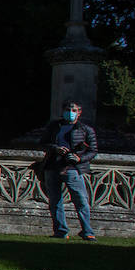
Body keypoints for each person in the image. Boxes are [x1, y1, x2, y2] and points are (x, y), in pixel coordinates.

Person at [38, 99, 97, 240]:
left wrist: (78, 158)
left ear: (79, 112)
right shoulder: (53, 127)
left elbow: (93, 151)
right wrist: (55, 148)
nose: (70, 113)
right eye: (68, 110)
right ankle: (60, 231)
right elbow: (42, 143)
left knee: (81, 200)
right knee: (55, 201)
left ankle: (87, 231)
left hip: (72, 169)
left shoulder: (85, 129)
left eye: (74, 110)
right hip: (52, 167)